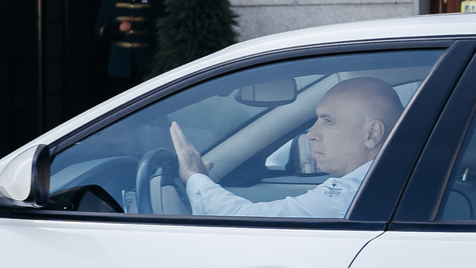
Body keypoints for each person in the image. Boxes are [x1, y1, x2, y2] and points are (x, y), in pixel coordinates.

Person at [168, 76, 404, 220]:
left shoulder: (351, 194)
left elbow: (248, 222)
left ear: (372, 134)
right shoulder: (389, 182)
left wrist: (193, 178)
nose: (311, 134)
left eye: (328, 121)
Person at [93, 0, 165, 95]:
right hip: (119, 65)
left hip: (146, 63)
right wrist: (118, 28)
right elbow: (98, 29)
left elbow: (163, 29)